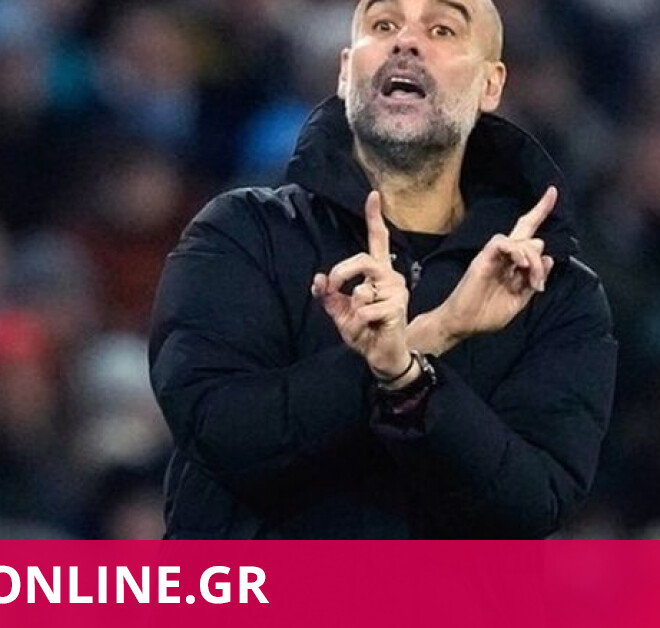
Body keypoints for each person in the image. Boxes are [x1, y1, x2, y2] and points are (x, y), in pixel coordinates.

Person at [149, 0, 617, 539]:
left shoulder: (550, 286)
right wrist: (432, 336)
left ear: (491, 85)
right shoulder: (244, 232)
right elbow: (219, 433)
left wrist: (411, 379)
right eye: (384, 24)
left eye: (442, 29)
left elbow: (531, 505)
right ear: (346, 71)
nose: (406, 41)